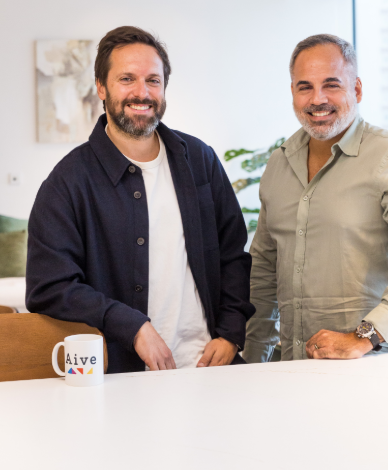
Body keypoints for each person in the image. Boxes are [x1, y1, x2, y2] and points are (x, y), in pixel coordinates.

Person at [26, 26, 254, 373]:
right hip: (122, 377)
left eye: (153, 80)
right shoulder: (68, 182)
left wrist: (230, 334)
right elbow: (49, 287)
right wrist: (131, 326)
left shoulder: (200, 160)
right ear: (101, 87)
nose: (142, 92)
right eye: (127, 79)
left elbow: (232, 255)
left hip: (209, 367)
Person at [243, 33, 388, 362]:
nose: (317, 99)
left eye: (332, 84)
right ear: (293, 92)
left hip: (374, 367)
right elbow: (264, 272)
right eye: (305, 87)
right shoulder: (279, 165)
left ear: (357, 89)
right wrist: (253, 361)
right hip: (293, 370)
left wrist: (362, 336)